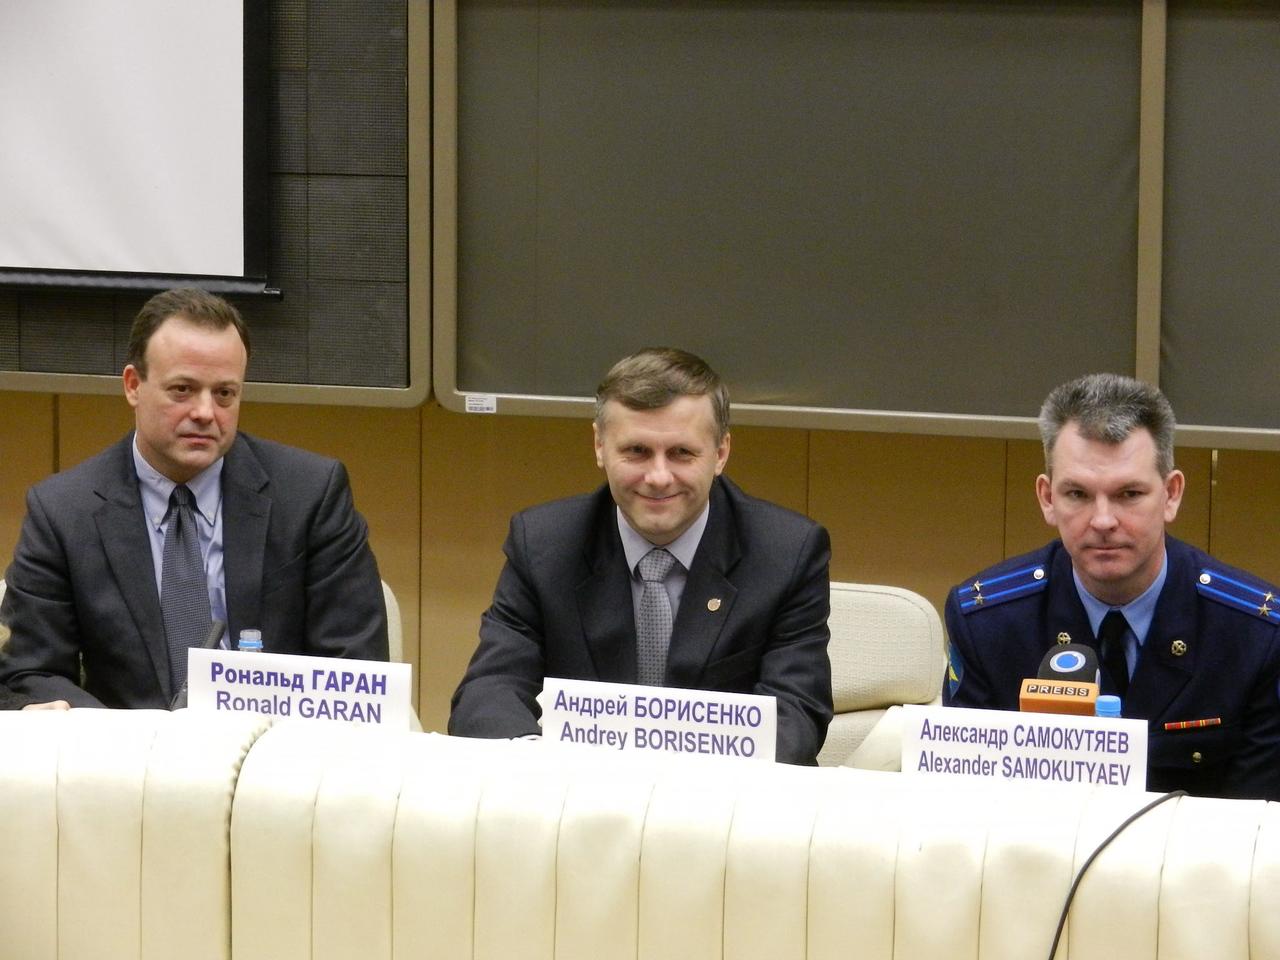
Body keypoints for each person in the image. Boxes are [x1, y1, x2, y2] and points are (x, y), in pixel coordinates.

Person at [0, 288, 388, 709]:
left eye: (224, 394)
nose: (205, 412)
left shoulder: (311, 495)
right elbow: (29, 671)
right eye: (183, 389)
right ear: (133, 385)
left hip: (271, 744)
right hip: (130, 747)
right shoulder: (63, 512)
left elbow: (356, 664)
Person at [449, 347, 833, 764]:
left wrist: (682, 788)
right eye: (636, 450)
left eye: (682, 453)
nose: (658, 477)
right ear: (600, 446)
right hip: (580, 789)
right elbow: (489, 690)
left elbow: (796, 713)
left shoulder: (787, 552)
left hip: (722, 796)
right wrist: (542, 767)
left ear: (721, 453)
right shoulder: (544, 544)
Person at [944, 373, 1280, 799]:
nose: (1103, 521)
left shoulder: (1255, 635)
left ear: (1171, 495)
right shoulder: (988, 624)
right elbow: (963, 803)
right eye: (1078, 494)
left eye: (1129, 494)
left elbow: (1258, 821)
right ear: (1047, 499)